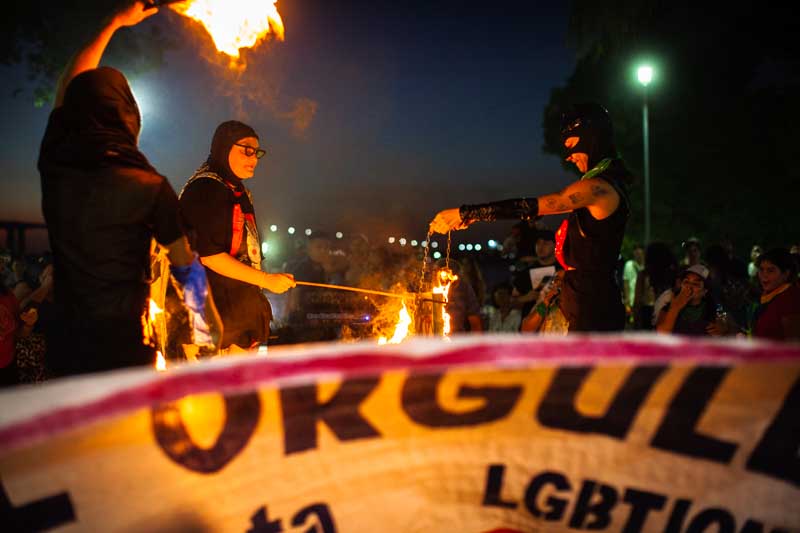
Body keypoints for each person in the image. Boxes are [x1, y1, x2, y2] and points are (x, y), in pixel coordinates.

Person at [37, 1, 214, 376]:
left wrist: (112, 23)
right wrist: (206, 328)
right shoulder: (150, 185)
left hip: (67, 345)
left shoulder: (58, 164)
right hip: (125, 347)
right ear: (130, 116)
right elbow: (186, 268)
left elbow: (69, 88)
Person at [430, 102, 632, 332]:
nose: (569, 157)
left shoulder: (599, 188)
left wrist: (467, 214)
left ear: (592, 139)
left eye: (572, 145)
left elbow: (533, 206)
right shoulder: (601, 185)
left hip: (593, 306)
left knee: (583, 368)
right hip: (583, 298)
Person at [179, 120, 295, 352]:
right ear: (224, 147)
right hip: (209, 318)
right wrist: (265, 280)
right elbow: (209, 256)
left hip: (235, 317)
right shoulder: (206, 189)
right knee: (211, 388)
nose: (254, 160)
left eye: (257, 153)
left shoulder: (234, 190)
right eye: (247, 151)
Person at [655, 264, 727, 336]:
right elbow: (661, 334)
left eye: (696, 284)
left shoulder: (715, 308)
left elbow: (728, 327)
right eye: (686, 282)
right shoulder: (667, 307)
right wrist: (676, 307)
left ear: (705, 291)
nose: (689, 286)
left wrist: (723, 329)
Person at [749, 248, 800, 341]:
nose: (764, 275)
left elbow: (793, 344)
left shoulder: (791, 298)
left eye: (770, 270)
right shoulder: (768, 294)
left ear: (786, 274)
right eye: (761, 269)